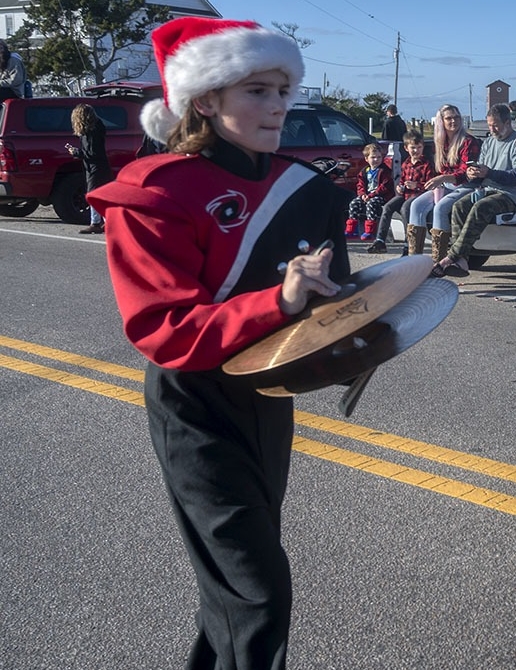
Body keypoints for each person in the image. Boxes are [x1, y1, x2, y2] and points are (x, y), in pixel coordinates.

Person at [86, 17, 352, 669]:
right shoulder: (154, 194)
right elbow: (163, 331)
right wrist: (279, 299)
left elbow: (332, 305)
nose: (279, 106)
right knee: (256, 593)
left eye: (283, 89)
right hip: (196, 405)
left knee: (235, 592)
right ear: (205, 100)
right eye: (257, 90)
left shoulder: (305, 187)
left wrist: (366, 325)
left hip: (269, 393)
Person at [433, 103, 516, 277]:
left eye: (495, 125)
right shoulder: (489, 142)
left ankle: (451, 257)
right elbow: (481, 171)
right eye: (489, 125)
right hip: (488, 189)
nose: (491, 129)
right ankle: (462, 261)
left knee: (480, 208)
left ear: (507, 122)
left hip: (512, 195)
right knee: (459, 206)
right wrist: (472, 172)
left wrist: (489, 172)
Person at [406, 104, 480, 264]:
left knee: (440, 208)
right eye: (449, 118)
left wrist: (442, 179)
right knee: (416, 206)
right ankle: (414, 261)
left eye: (456, 117)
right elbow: (436, 171)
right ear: (441, 121)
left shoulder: (469, 141)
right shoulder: (438, 143)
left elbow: (466, 173)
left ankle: (438, 262)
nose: (453, 121)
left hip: (466, 186)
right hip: (445, 185)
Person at [367, 128, 435, 254]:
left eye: (419, 147)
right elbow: (402, 180)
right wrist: (400, 186)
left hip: (419, 195)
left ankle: (408, 242)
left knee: (405, 209)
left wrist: (417, 185)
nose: (416, 151)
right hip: (405, 194)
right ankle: (380, 240)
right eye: (413, 148)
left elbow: (430, 184)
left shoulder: (426, 164)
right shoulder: (406, 164)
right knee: (387, 207)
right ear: (406, 148)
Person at [66, 104, 112, 234]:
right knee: (100, 194)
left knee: (93, 194)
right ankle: (105, 221)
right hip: (98, 166)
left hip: (95, 167)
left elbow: (92, 153)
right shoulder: (95, 128)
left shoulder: (91, 133)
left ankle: (97, 222)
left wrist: (76, 152)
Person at [345, 142, 393, 240]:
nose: (376, 160)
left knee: (371, 204)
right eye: (373, 157)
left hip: (381, 196)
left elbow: (385, 187)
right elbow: (360, 185)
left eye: (379, 157)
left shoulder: (384, 171)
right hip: (367, 195)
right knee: (354, 203)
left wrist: (371, 195)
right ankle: (352, 230)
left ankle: (370, 231)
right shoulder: (364, 171)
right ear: (367, 159)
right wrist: (362, 194)